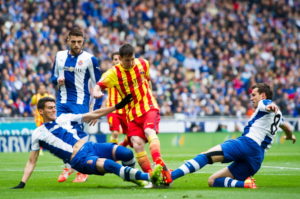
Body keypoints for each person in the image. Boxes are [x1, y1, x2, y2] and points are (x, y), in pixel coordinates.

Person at [11, 96, 163, 189]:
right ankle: (148, 178)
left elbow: (92, 114)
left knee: (126, 153)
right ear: (41, 111)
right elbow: (32, 161)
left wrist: (116, 107)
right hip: (78, 159)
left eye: (53, 107)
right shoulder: (38, 133)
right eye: (49, 108)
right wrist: (22, 183)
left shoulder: (63, 118)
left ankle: (133, 178)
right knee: (110, 165)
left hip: (90, 146)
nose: (53, 110)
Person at [170, 83, 296, 188]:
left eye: (253, 95)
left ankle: (170, 176)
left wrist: (270, 106)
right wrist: (290, 136)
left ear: (262, 95)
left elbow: (268, 104)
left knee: (206, 156)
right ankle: (245, 184)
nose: (251, 98)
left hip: (247, 144)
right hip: (256, 159)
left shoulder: (264, 104)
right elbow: (286, 126)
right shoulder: (278, 115)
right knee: (213, 181)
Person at [93, 44, 172, 185]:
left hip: (148, 107)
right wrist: (97, 91)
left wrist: (150, 95)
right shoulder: (114, 73)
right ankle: (152, 176)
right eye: (127, 60)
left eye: (132, 59)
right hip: (132, 113)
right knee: (136, 143)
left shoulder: (143, 63)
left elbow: (148, 81)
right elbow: (98, 85)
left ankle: (159, 163)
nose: (130, 63)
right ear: (120, 59)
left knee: (149, 130)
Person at [51, 27, 102, 182]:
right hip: (61, 102)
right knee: (59, 133)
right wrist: (57, 81)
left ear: (83, 41)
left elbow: (100, 85)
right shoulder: (59, 56)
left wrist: (97, 110)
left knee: (76, 135)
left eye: (79, 42)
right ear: (68, 40)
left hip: (80, 104)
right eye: (73, 41)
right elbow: (52, 78)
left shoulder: (90, 59)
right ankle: (70, 165)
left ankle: (83, 169)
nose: (76, 45)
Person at [104, 52, 129, 145]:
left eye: (119, 59)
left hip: (126, 110)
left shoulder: (128, 74)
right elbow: (99, 89)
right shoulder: (108, 75)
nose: (117, 61)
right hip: (113, 109)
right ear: (112, 61)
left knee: (130, 135)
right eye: (115, 59)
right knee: (115, 132)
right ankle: (114, 153)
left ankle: (120, 150)